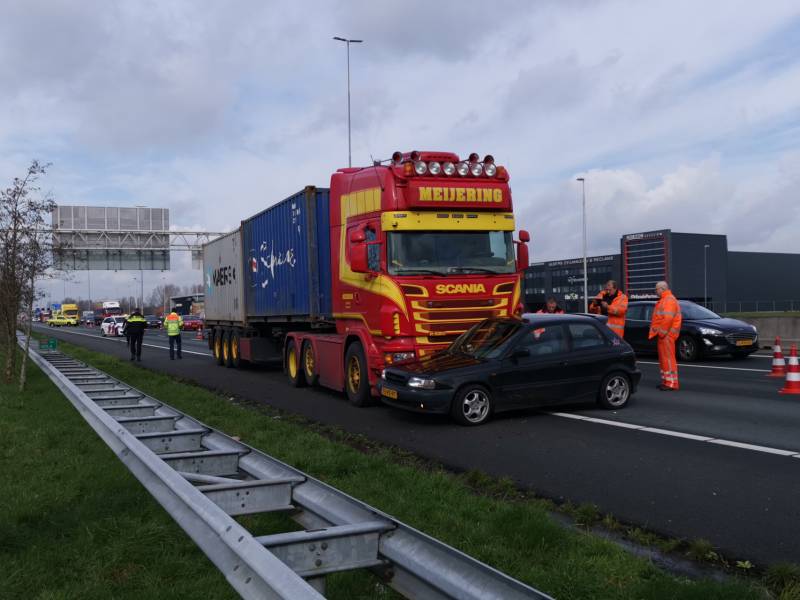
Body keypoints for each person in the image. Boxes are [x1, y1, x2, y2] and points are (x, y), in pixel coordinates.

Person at [649, 281, 682, 391]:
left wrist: (662, 332)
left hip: (667, 335)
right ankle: (666, 381)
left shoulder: (669, 300)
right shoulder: (665, 300)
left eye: (656, 289)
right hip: (665, 334)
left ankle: (671, 383)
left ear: (662, 289)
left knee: (668, 359)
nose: (655, 291)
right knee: (664, 359)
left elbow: (668, 318)